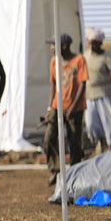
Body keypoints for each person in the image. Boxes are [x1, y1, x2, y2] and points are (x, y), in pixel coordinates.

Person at [43, 33, 88, 185]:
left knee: (74, 142)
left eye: (54, 44)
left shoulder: (79, 60)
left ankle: (75, 174)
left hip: (75, 107)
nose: (51, 48)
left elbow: (83, 84)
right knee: (49, 138)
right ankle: (56, 171)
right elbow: (53, 86)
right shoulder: (54, 62)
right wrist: (50, 108)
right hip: (57, 106)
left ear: (64, 46)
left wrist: (73, 107)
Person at [83, 28, 111, 153]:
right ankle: (99, 145)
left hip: (106, 95)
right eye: (91, 42)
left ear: (100, 43)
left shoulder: (107, 57)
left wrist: (110, 86)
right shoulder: (85, 56)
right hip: (90, 95)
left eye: (95, 42)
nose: (92, 45)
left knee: (110, 123)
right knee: (92, 124)